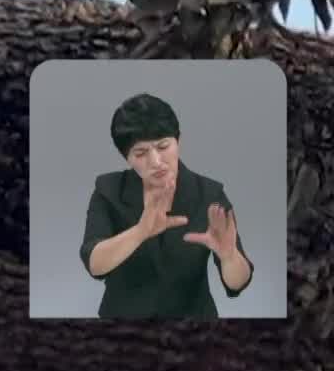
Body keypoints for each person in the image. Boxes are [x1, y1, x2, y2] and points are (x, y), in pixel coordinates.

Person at [77, 93, 254, 318]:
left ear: (178, 141)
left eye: (163, 146)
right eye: (141, 153)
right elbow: (94, 263)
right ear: (127, 158)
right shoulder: (108, 191)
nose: (156, 162)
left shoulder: (209, 194)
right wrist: (140, 232)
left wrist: (230, 256)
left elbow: (238, 283)